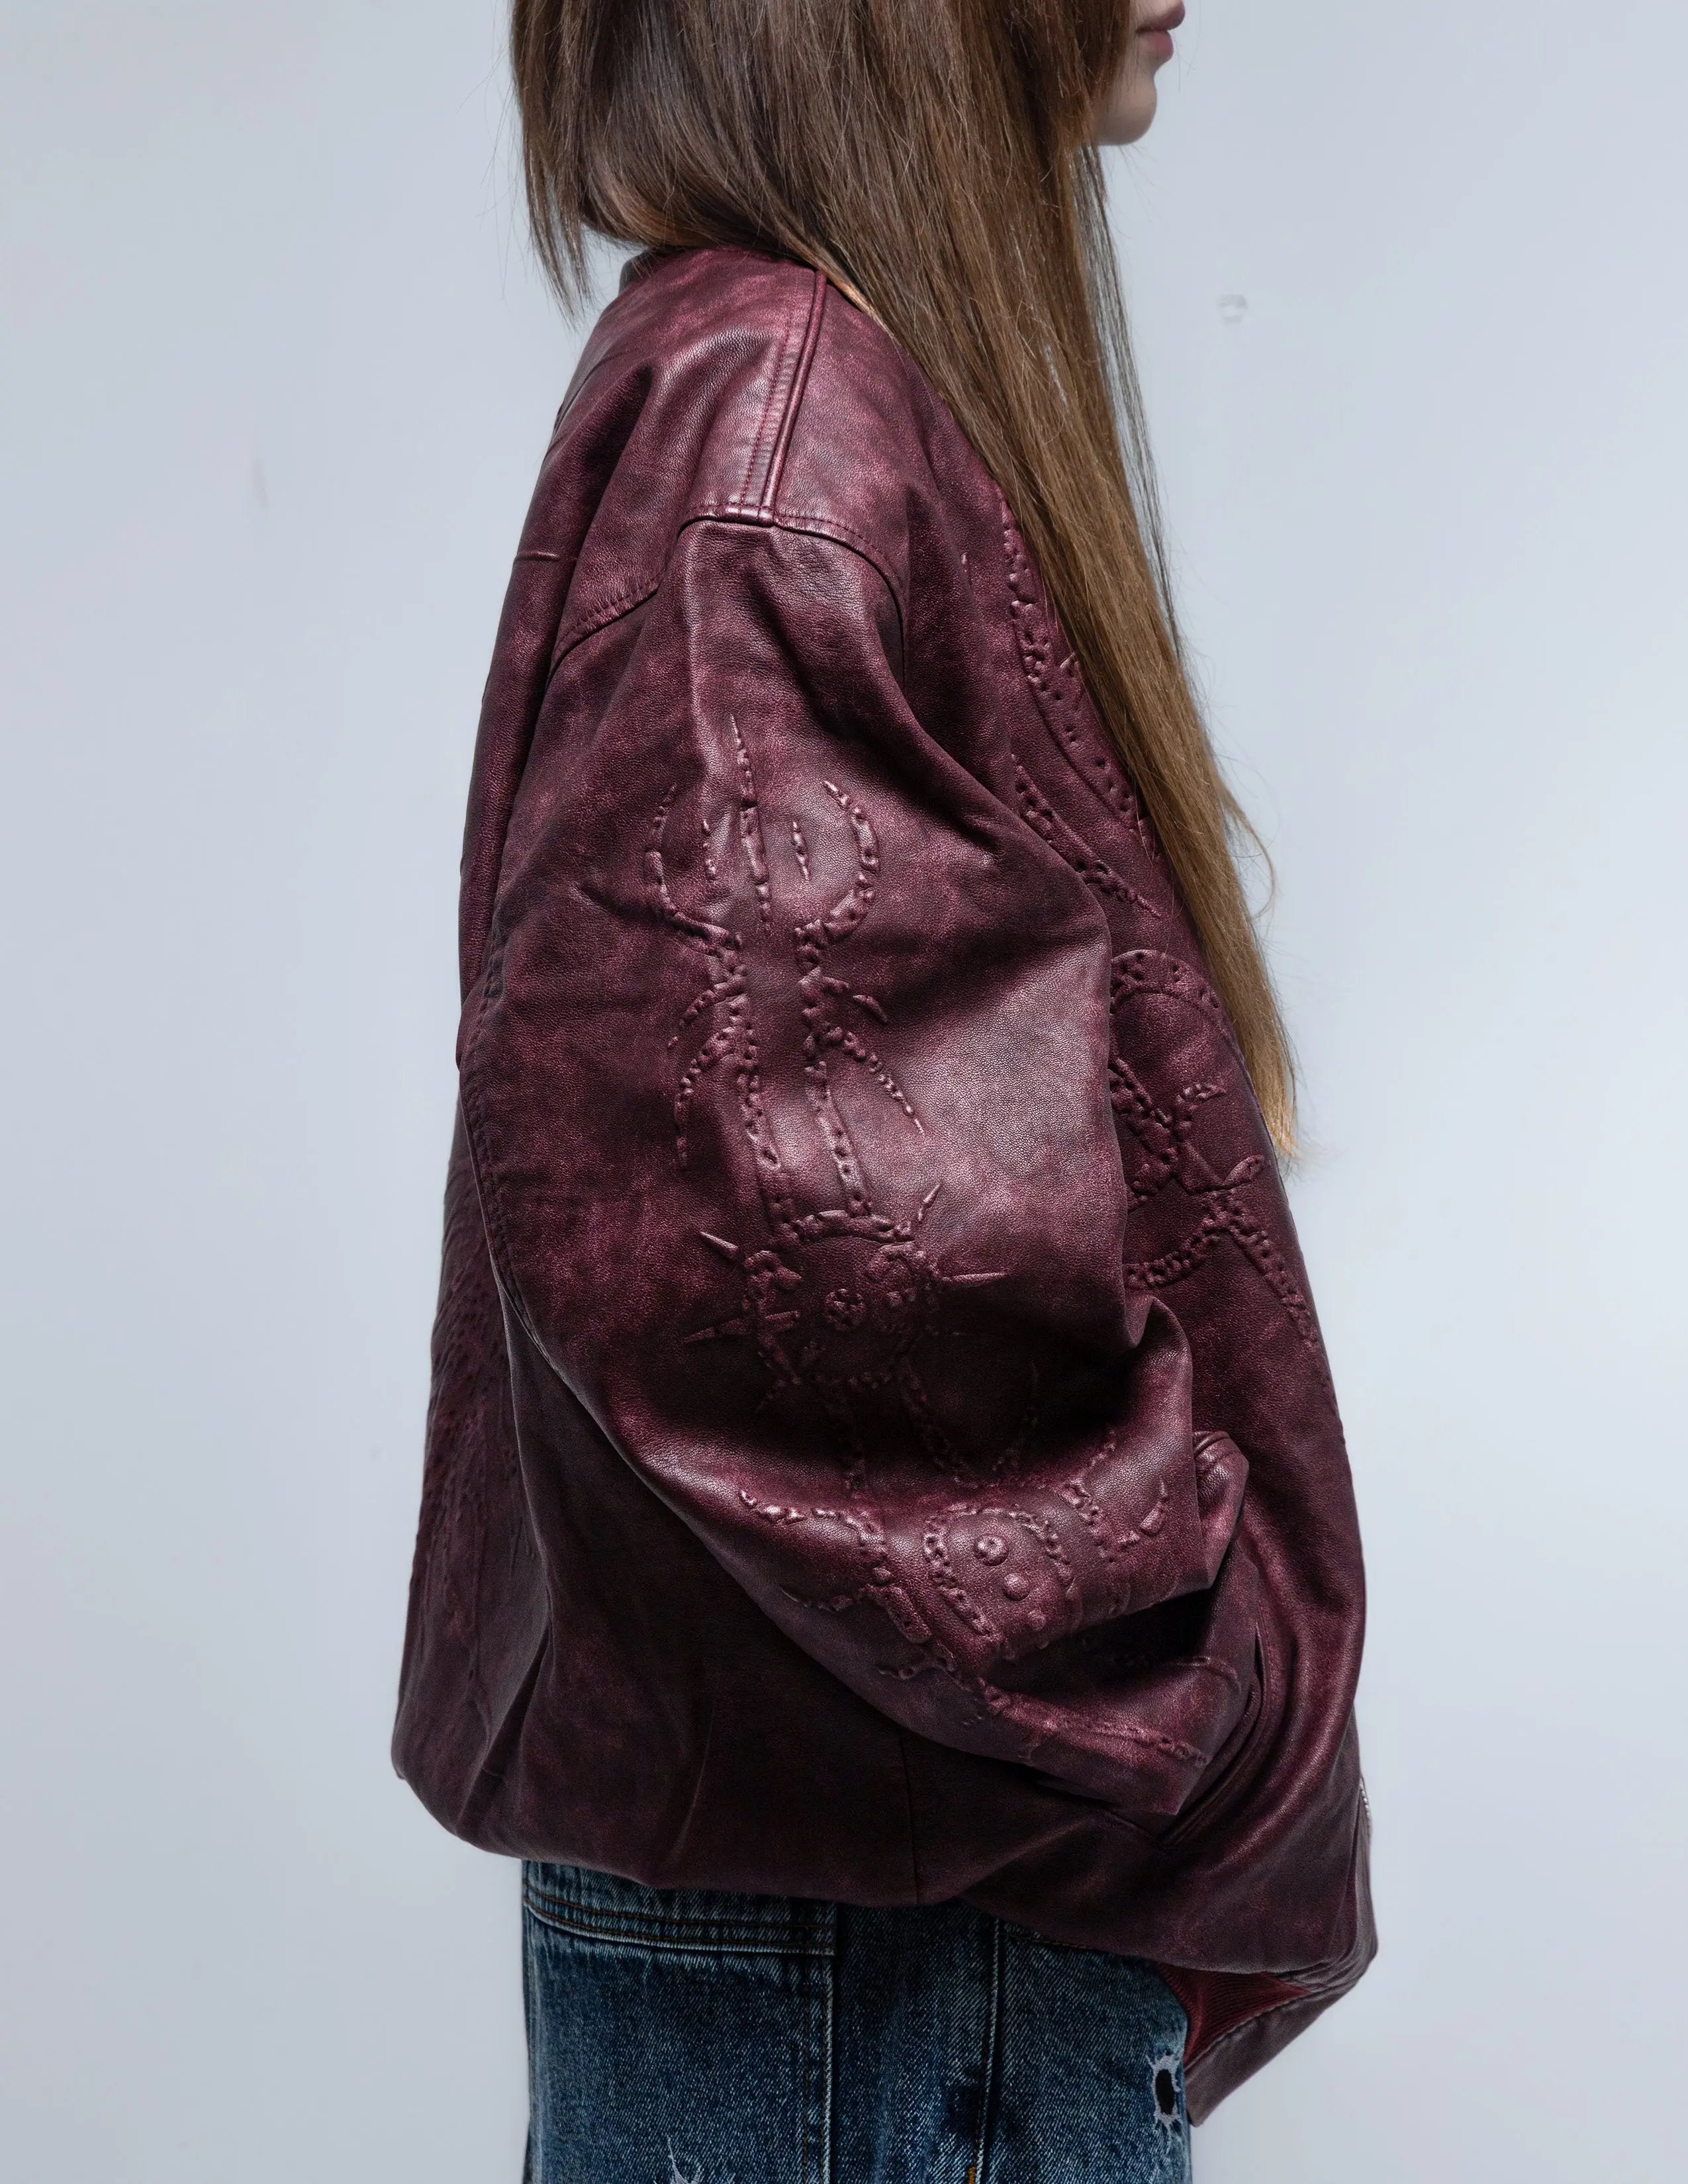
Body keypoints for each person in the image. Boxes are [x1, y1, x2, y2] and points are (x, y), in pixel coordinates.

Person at [393, 2, 1374, 2176]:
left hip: (876, 1923)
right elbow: (755, 1254)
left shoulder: (793, 400)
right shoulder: (785, 427)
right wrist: (1197, 1662)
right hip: (892, 1954)